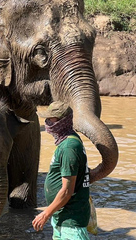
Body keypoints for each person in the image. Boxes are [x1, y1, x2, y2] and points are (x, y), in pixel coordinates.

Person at [32, 101, 91, 240]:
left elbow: (67, 191)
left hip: (71, 221)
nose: (47, 123)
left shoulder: (69, 147)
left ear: (61, 121)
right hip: (62, 217)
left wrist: (45, 214)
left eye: (50, 120)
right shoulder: (67, 142)